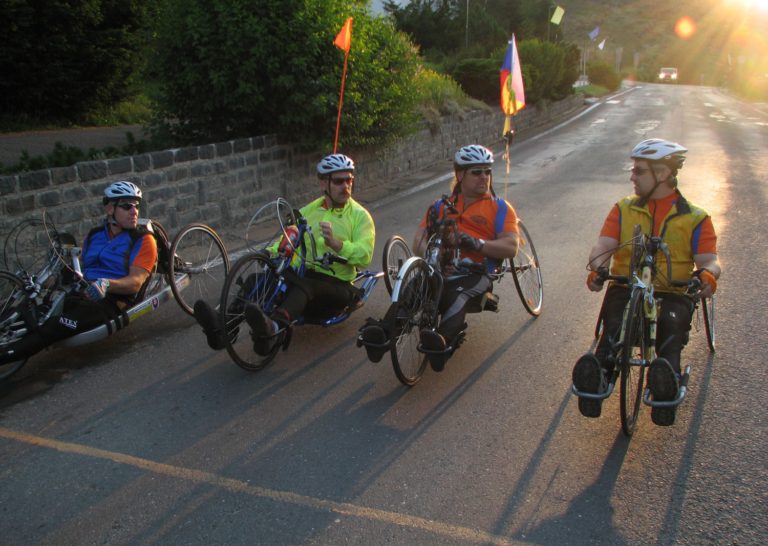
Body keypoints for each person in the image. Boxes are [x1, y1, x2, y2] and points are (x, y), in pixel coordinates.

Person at [572, 138, 721, 425]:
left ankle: (666, 380)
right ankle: (599, 376)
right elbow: (603, 246)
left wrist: (708, 274)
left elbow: (709, 260)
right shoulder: (623, 208)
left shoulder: (696, 218)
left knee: (671, 327)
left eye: (639, 171)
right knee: (614, 323)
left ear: (663, 174)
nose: (632, 176)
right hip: (627, 285)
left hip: (673, 291)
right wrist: (598, 268)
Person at [193, 153, 375, 354]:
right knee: (258, 280)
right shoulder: (309, 211)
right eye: (339, 181)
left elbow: (365, 256)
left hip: (339, 288)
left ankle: (274, 328)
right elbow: (290, 237)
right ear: (324, 183)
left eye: (349, 180)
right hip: (304, 275)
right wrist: (271, 252)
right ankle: (224, 327)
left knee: (304, 284)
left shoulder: (360, 216)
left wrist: (337, 244)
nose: (346, 186)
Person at [359, 144, 519, 372]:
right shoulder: (440, 207)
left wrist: (474, 243)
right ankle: (383, 335)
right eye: (477, 172)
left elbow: (510, 246)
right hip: (440, 269)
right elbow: (418, 242)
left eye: (487, 171)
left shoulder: (501, 208)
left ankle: (441, 342)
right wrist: (436, 258)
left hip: (476, 272)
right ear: (460, 174)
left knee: (459, 296)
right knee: (414, 288)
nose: (484, 177)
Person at [1, 181, 158, 364]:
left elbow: (135, 282)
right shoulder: (95, 234)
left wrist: (107, 284)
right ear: (109, 209)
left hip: (110, 300)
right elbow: (81, 268)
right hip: (81, 291)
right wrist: (45, 281)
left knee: (53, 326)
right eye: (126, 206)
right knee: (29, 311)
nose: (134, 211)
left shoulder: (144, 240)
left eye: (136, 206)